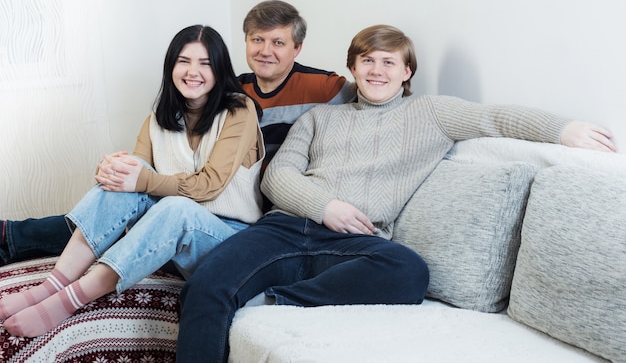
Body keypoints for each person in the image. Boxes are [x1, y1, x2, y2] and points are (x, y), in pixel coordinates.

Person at [175, 24, 616, 362]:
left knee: (408, 271)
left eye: (389, 62)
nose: (377, 70)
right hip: (286, 228)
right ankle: (268, 286)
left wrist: (565, 129)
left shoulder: (430, 112)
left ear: (407, 72)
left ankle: (280, 299)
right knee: (205, 286)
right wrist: (325, 206)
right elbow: (276, 179)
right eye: (367, 61)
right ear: (353, 68)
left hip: (357, 244)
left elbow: (497, 118)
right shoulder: (319, 119)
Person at [0, 0, 355, 266]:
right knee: (122, 200)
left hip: (257, 205)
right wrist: (119, 168)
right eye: (257, 39)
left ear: (297, 48)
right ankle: (11, 237)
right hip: (210, 192)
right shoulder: (229, 90)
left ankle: (13, 238)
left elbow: (367, 103)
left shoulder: (324, 87)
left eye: (278, 42)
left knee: (139, 203)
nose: (265, 51)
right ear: (244, 43)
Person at [0, 24, 266, 337]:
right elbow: (135, 182)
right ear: (171, 67)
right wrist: (110, 170)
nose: (193, 71)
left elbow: (209, 185)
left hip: (229, 240)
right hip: (170, 238)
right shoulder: (158, 119)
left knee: (174, 206)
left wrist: (139, 179)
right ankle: (51, 285)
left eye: (205, 63)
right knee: (132, 166)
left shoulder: (239, 109)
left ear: (220, 69)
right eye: (184, 61)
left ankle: (69, 300)